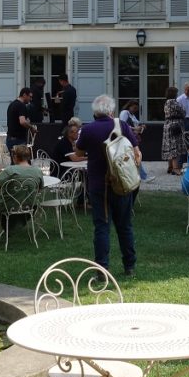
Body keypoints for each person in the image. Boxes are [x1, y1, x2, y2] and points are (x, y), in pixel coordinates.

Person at [72, 94, 140, 277]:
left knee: (102, 227)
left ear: (95, 112)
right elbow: (136, 152)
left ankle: (102, 270)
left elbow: (78, 152)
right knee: (125, 226)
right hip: (121, 182)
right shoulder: (122, 125)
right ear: (111, 110)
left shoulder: (88, 130)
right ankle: (129, 267)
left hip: (99, 184)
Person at [0, 144, 43, 244]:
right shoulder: (38, 171)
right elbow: (39, 190)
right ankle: (5, 228)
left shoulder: (11, 170)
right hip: (29, 206)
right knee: (0, 196)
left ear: (15, 157)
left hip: (9, 205)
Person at [119, 101, 154, 182]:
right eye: (134, 108)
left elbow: (137, 123)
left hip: (131, 138)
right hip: (127, 138)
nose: (135, 110)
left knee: (130, 157)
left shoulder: (131, 115)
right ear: (129, 106)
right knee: (135, 156)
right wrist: (135, 129)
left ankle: (134, 176)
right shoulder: (125, 113)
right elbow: (122, 125)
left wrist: (141, 126)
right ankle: (143, 177)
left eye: (136, 109)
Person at [162, 85, 185, 175]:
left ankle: (170, 167)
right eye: (176, 93)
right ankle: (175, 168)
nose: (177, 94)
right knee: (175, 146)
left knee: (170, 146)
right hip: (175, 125)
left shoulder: (166, 102)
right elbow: (183, 112)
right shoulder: (173, 102)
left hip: (168, 124)